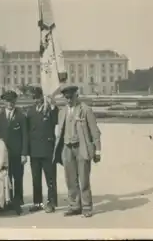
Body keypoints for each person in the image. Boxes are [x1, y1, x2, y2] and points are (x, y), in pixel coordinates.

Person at [52, 85, 101, 218]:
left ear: (76, 96)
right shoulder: (62, 112)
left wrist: (98, 151)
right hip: (67, 148)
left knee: (84, 179)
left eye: (71, 97)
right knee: (70, 179)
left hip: (82, 148)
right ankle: (74, 206)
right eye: (66, 97)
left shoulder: (86, 110)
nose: (68, 100)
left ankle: (86, 207)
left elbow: (95, 131)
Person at [0, 90, 29, 215]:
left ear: (15, 101)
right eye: (8, 101)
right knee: (4, 178)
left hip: (17, 154)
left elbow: (25, 135)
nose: (10, 103)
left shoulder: (21, 116)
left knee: (18, 178)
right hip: (3, 155)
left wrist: (24, 154)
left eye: (12, 101)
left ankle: (18, 202)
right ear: (4, 102)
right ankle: (4, 202)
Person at [26, 86, 59, 213]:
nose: (36, 100)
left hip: (47, 149)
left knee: (50, 178)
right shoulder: (30, 112)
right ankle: (38, 202)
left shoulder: (49, 110)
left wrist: (53, 106)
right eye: (34, 98)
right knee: (36, 178)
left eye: (38, 97)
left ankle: (51, 202)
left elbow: (56, 119)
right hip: (34, 150)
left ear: (42, 97)